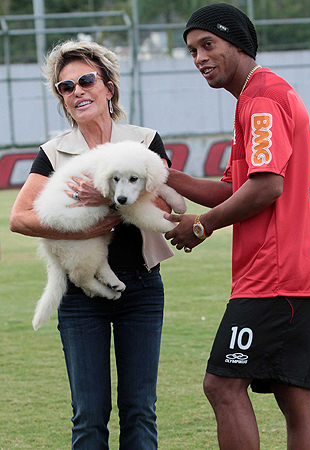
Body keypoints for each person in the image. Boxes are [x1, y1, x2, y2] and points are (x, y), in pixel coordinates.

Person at [162, 4, 310, 450]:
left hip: (275, 275)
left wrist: (201, 227)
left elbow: (265, 188)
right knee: (294, 396)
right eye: (192, 50)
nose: (200, 57)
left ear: (238, 44)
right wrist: (159, 173)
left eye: (209, 44)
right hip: (303, 272)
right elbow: (234, 189)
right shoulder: (258, 96)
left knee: (222, 386)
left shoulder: (261, 99)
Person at [9, 40, 173, 449]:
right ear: (63, 101)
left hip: (141, 286)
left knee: (140, 411)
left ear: (108, 87)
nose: (77, 91)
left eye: (86, 80)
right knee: (89, 416)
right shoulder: (54, 152)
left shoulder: (145, 141)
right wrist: (79, 233)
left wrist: (105, 200)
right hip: (82, 299)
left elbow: (163, 205)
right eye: (66, 87)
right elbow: (20, 218)